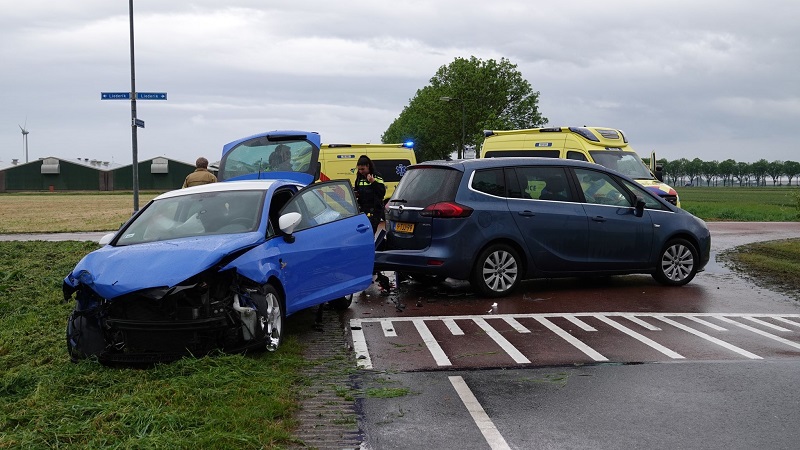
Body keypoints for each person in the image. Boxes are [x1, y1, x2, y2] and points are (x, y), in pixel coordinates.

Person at [354, 155, 391, 292]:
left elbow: (382, 192)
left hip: (374, 212)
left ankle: (370, 266)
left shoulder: (377, 176)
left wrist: (373, 182)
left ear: (368, 166)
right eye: (359, 169)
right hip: (363, 211)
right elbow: (359, 190)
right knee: (363, 239)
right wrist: (356, 193)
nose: (361, 171)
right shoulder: (359, 176)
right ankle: (367, 265)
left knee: (369, 238)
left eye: (362, 169)